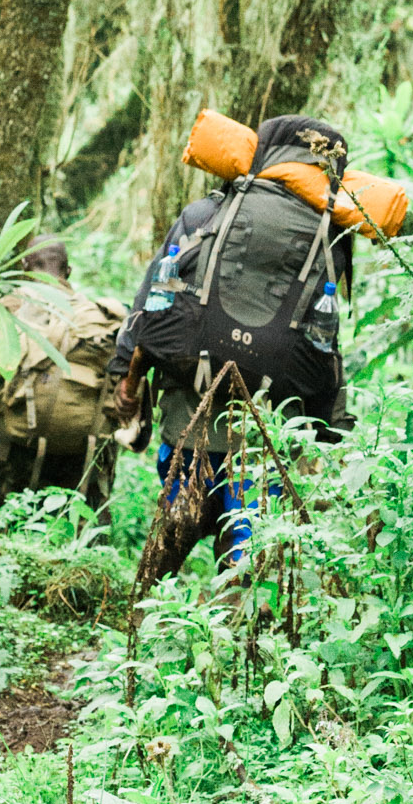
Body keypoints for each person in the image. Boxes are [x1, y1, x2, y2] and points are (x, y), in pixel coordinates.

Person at [111, 113, 357, 574]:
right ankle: (238, 625)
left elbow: (151, 302)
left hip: (189, 416)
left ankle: (143, 621)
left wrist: (127, 381)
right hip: (270, 430)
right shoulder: (330, 239)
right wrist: (326, 428)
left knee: (174, 529)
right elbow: (324, 341)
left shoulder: (206, 215)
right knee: (249, 546)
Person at [0, 237, 129, 510]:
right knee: (85, 518)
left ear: (25, 268)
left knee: (7, 513)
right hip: (83, 447)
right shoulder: (98, 316)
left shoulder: (7, 308)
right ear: (69, 271)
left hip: (18, 443)